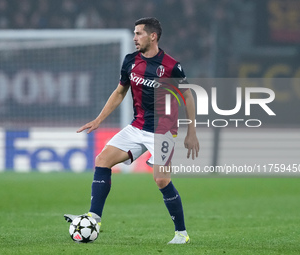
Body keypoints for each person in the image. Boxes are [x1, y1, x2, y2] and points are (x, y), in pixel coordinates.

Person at [64, 17, 199, 244]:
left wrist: (191, 131)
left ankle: (181, 234)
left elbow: (187, 95)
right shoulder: (130, 61)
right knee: (102, 159)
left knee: (161, 180)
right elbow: (119, 92)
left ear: (152, 36)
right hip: (137, 127)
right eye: (134, 34)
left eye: (138, 33)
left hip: (163, 131)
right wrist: (99, 119)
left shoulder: (171, 66)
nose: (134, 38)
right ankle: (93, 217)